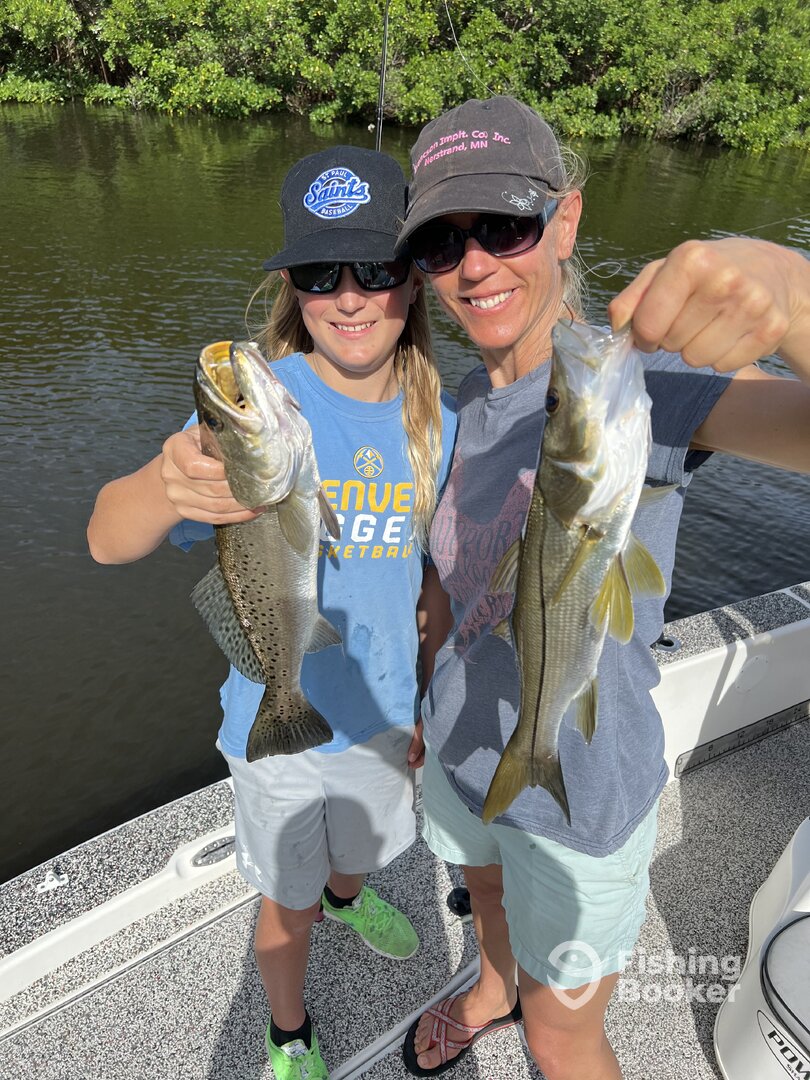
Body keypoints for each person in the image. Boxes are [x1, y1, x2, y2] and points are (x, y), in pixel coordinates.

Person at [392, 96, 810, 1079]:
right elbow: (443, 583)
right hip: (459, 750)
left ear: (566, 218)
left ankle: (530, 1012)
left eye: (505, 226)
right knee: (485, 896)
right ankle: (491, 984)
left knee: (562, 1037)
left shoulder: (651, 387)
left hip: (580, 798)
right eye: (442, 243)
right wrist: (418, 691)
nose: (474, 265)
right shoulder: (457, 405)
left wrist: (794, 293)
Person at [87, 145, 457, 1080]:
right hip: (273, 723)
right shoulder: (250, 418)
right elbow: (105, 540)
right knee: (283, 907)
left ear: (413, 279)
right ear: (292, 286)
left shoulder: (440, 427)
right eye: (320, 273)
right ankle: (288, 1030)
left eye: (374, 268)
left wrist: (424, 698)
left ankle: (348, 897)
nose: (349, 296)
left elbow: (432, 587)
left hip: (383, 720)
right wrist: (167, 484)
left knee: (359, 854)